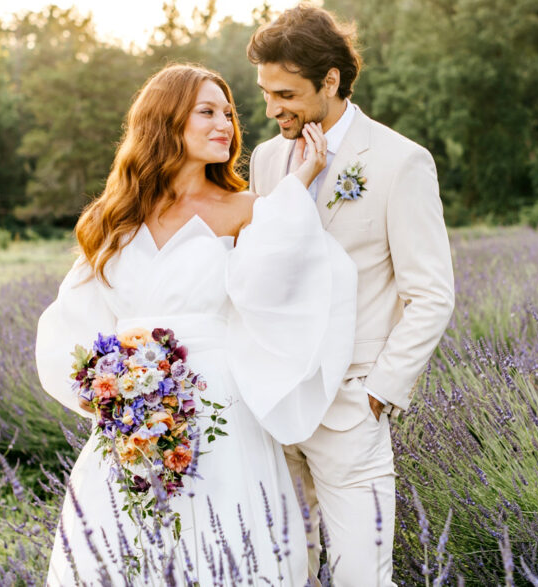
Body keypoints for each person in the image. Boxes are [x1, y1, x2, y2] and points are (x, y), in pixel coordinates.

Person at [35, 64, 358, 586]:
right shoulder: (112, 219)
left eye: (228, 113)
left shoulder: (245, 210)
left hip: (218, 410)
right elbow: (72, 320)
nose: (225, 125)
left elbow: (279, 282)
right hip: (134, 419)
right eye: (206, 112)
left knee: (220, 546)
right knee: (125, 549)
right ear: (166, 123)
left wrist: (298, 184)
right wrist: (111, 388)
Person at [247, 4, 455, 586]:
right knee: (280, 574)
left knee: (364, 577)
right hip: (273, 410)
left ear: (331, 81)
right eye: (265, 93)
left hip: (350, 409)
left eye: (285, 94)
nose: (272, 109)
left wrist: (380, 393)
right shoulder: (267, 160)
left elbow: (432, 294)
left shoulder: (399, 161)